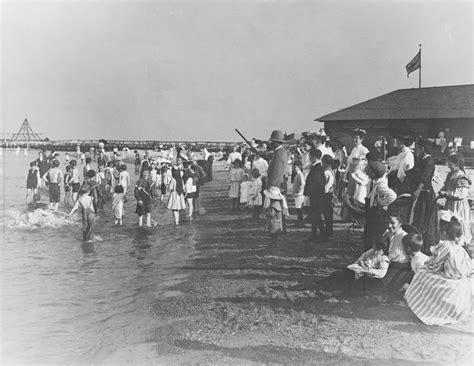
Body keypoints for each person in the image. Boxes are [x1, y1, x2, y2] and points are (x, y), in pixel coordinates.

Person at [405, 215, 473, 325]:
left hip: (451, 282)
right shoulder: (459, 246)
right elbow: (468, 268)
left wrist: (427, 264)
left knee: (422, 273)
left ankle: (424, 307)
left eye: (440, 231)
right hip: (463, 282)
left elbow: (434, 265)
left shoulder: (446, 246)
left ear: (444, 233)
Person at [409, 138, 439, 252]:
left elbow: (424, 178)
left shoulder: (429, 161)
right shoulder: (421, 160)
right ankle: (418, 244)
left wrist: (417, 190)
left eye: (417, 149)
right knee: (418, 218)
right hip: (421, 192)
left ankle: (426, 247)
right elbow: (414, 172)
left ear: (422, 149)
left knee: (425, 219)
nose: (415, 151)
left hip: (426, 193)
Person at [438, 154, 472, 244]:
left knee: (458, 222)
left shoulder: (462, 177)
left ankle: (461, 243)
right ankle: (449, 240)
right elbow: (446, 186)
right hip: (450, 204)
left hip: (459, 205)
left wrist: (446, 193)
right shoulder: (450, 174)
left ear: (457, 164)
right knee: (449, 222)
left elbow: (461, 194)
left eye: (450, 164)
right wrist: (442, 191)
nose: (449, 166)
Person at [365, 162, 397, 249]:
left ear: (373, 173)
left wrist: (382, 203)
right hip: (374, 211)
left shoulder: (381, 185)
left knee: (376, 233)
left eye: (369, 171)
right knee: (371, 232)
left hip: (378, 213)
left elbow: (392, 196)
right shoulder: (377, 182)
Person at [303, 149, 326, 242]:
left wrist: (308, 192)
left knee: (315, 216)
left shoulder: (317, 168)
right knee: (316, 216)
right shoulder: (318, 167)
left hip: (316, 196)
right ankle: (320, 234)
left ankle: (316, 235)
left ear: (314, 157)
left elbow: (315, 183)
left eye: (310, 157)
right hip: (317, 195)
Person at [322, 155, 335, 237]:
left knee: (327, 213)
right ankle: (329, 229)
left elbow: (326, 184)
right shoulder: (331, 171)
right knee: (329, 213)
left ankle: (328, 230)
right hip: (330, 193)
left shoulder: (327, 172)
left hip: (326, 193)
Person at [292, 162, 305, 227]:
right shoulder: (297, 174)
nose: (294, 168)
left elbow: (302, 184)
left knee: (299, 209)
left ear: (299, 167)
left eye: (295, 167)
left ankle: (300, 222)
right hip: (297, 194)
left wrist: (298, 190)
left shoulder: (300, 174)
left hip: (299, 195)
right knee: (298, 209)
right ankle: (299, 222)